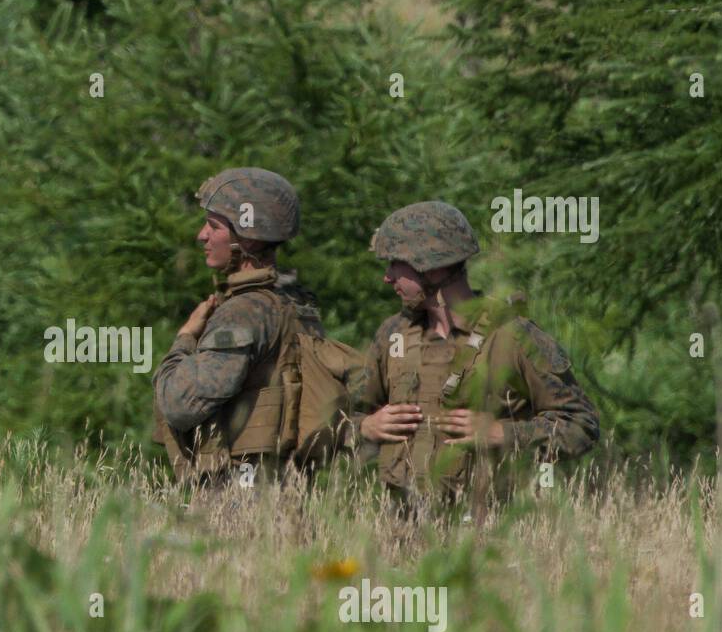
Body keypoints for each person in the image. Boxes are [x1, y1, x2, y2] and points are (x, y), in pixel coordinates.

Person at [351, 200, 599, 506]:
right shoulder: (392, 335)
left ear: (432, 266)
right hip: (403, 532)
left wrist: (501, 433)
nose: (387, 277)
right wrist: (366, 427)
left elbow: (581, 424)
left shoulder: (514, 336)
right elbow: (348, 415)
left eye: (395, 264)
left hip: (488, 532)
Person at [153, 167, 342, 485]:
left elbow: (179, 404)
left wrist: (185, 338)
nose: (203, 235)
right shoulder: (294, 303)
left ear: (249, 240)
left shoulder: (244, 311)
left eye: (214, 226)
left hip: (241, 490)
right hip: (285, 482)